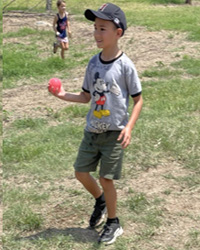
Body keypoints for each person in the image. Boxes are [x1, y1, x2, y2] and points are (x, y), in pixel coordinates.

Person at [49, 3, 143, 245]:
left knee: (106, 177)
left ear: (118, 33)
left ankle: (113, 222)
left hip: (114, 133)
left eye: (103, 28)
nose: (96, 34)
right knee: (81, 172)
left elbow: (138, 99)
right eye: (95, 28)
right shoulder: (93, 63)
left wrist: (129, 127)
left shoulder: (125, 65)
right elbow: (85, 96)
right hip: (92, 130)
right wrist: (62, 95)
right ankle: (100, 200)